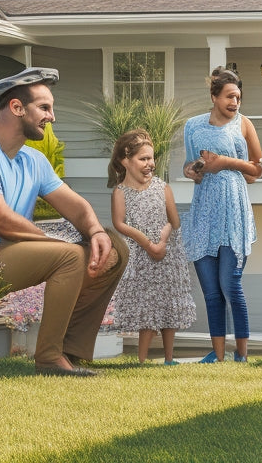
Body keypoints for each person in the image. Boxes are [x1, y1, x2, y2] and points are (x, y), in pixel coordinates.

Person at [0, 67, 129, 376]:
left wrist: (96, 231)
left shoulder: (32, 160)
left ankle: (70, 353)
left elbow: (75, 206)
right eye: (44, 107)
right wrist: (57, 243)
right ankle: (49, 358)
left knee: (113, 248)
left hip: (10, 250)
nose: (52, 116)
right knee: (69, 255)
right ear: (17, 108)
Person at [182, 66, 262, 363]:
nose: (235, 103)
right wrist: (193, 170)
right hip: (204, 211)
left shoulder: (244, 125)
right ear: (214, 96)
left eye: (238, 97)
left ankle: (241, 355)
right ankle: (218, 356)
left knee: (230, 285)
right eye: (230, 96)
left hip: (233, 212)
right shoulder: (192, 126)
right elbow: (190, 166)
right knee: (211, 292)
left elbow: (257, 171)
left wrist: (227, 162)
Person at [109, 129, 196, 365]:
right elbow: (119, 223)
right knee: (147, 305)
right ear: (125, 161)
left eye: (151, 158)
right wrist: (147, 244)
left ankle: (169, 358)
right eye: (143, 159)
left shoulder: (162, 187)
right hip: (141, 258)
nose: (150, 164)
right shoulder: (120, 192)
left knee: (168, 304)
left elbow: (174, 221)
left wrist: (163, 239)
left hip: (168, 255)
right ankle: (142, 359)